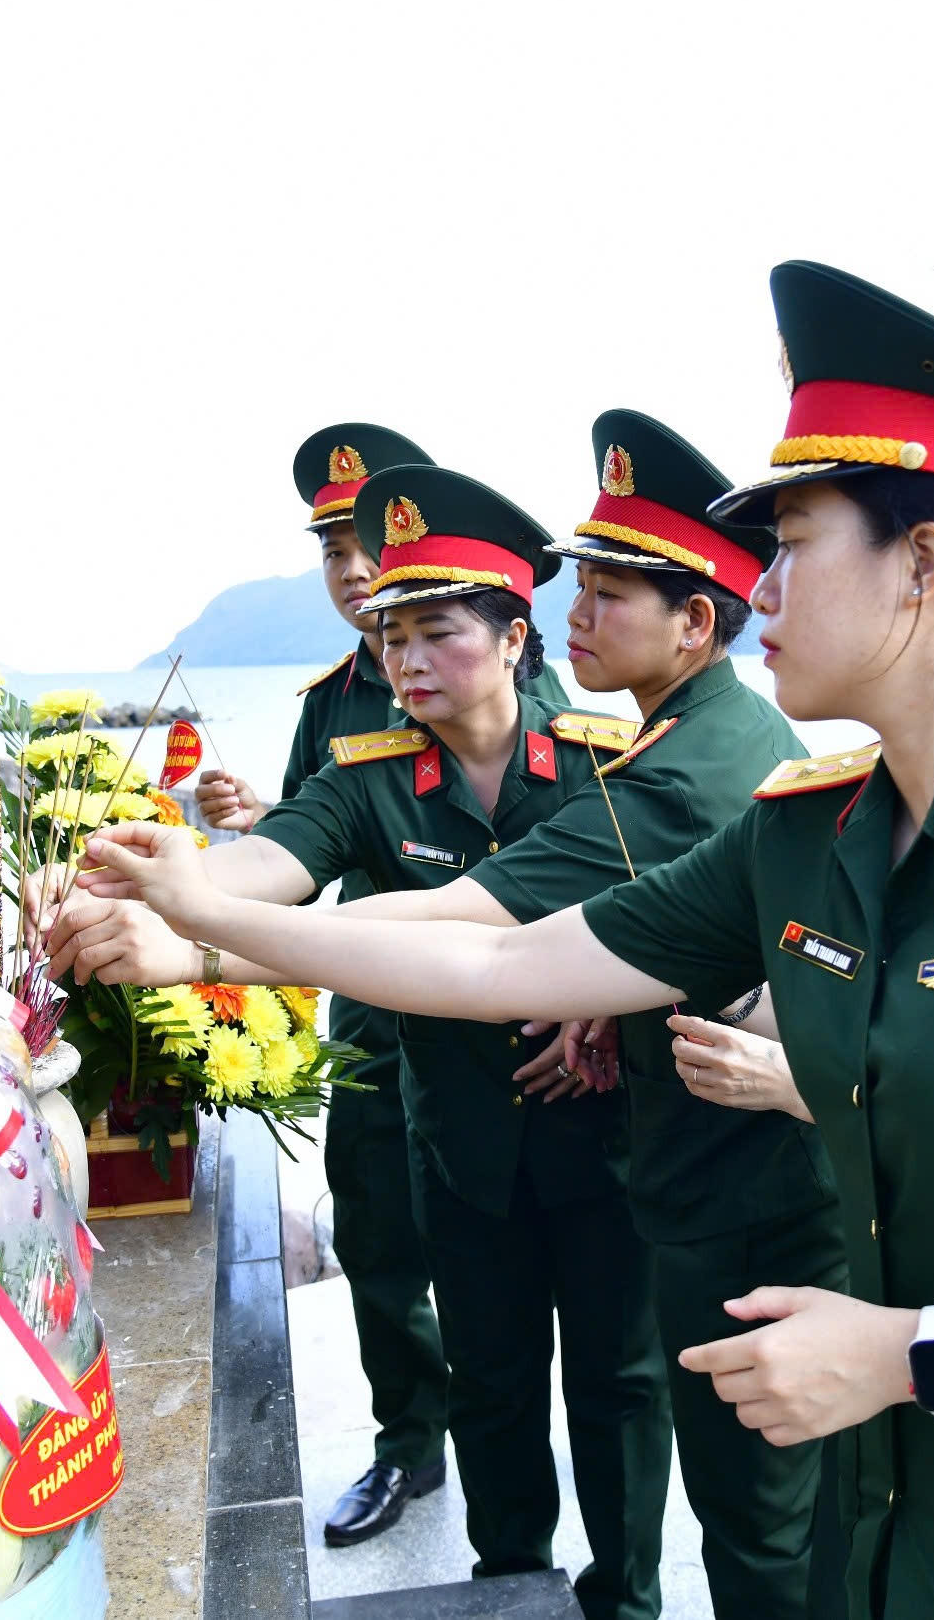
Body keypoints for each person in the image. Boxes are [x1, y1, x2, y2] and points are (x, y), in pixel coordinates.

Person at [73, 261, 934, 1619]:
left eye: (796, 541)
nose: (758, 588)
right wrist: (208, 920)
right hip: (895, 1529)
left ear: (922, 565)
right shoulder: (814, 826)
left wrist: (912, 1354)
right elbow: (506, 960)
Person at [52, 465, 674, 1619]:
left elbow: (672, 920)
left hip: (606, 1135)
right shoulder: (368, 778)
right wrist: (153, 888)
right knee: (489, 1382)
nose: (407, 662)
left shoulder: (609, 760)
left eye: (437, 632)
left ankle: (627, 1598)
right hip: (462, 1135)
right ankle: (507, 1590)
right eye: (391, 637)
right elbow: (273, 864)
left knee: (621, 1386)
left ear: (513, 636)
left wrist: (609, 1005)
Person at [186, 421, 459, 1546]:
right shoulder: (329, 705)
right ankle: (409, 1443)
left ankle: (511, 1467)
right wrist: (250, 829)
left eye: (366, 545)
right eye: (333, 551)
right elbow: (306, 852)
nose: (350, 569)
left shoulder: (503, 675)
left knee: (505, 1256)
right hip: (375, 1020)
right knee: (378, 1238)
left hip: (498, 1016)